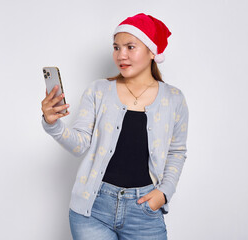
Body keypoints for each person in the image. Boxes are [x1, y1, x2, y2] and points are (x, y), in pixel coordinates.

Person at [41, 13, 189, 240]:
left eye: (130, 47)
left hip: (145, 212)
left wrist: (164, 193)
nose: (121, 55)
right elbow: (80, 144)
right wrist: (54, 125)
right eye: (116, 47)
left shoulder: (174, 98)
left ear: (152, 51)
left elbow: (176, 152)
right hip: (93, 209)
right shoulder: (98, 91)